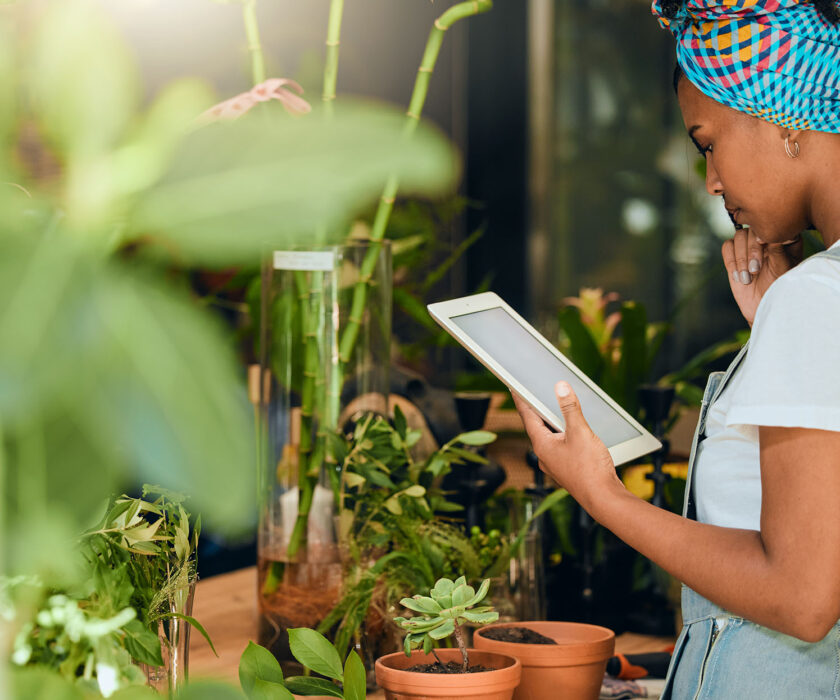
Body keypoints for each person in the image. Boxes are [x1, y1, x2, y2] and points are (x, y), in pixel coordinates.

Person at [513, 1, 840, 696]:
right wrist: (777, 345)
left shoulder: (816, 299)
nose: (712, 182)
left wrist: (601, 494)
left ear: (782, 123)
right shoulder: (809, 303)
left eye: (707, 142)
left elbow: (804, 598)